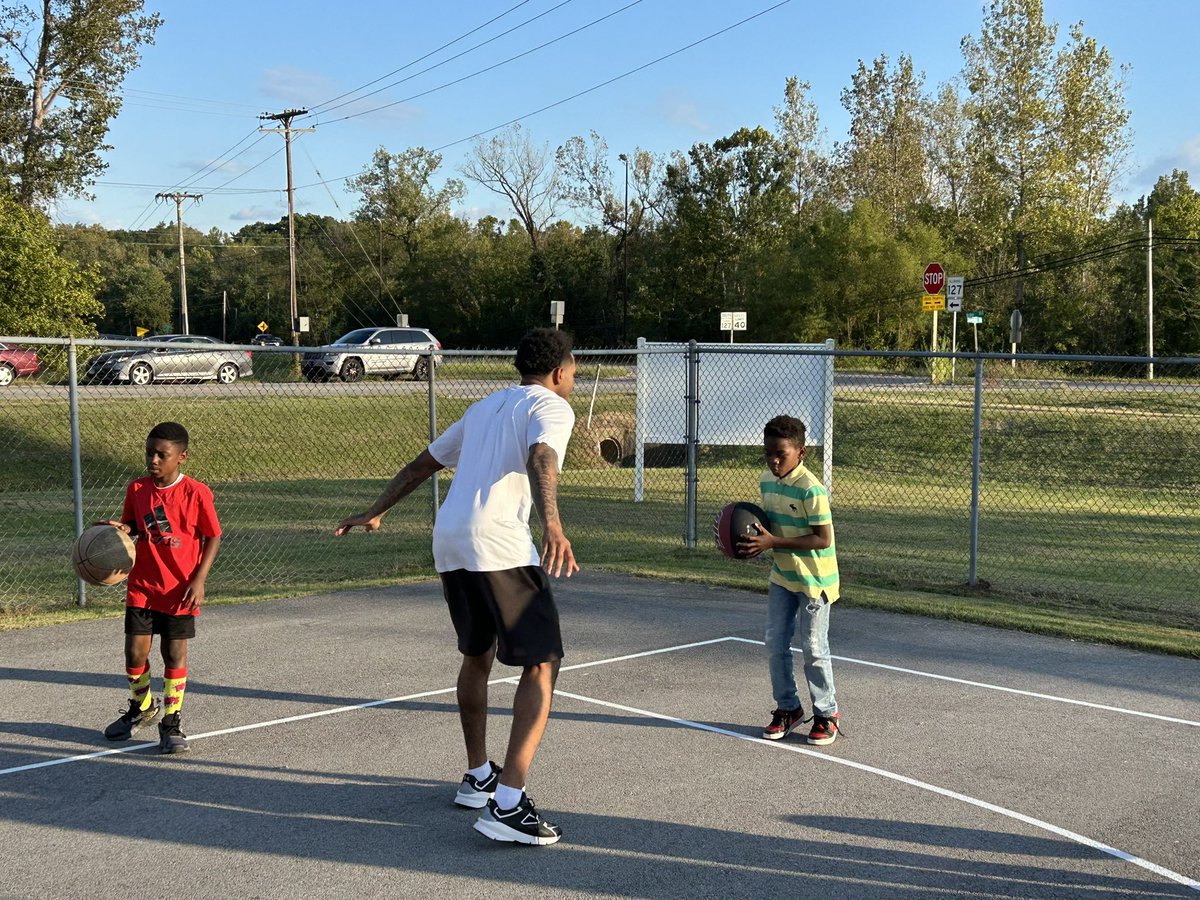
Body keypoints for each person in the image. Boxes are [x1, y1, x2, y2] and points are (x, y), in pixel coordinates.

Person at [335, 328, 578, 846]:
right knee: (541, 663)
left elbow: (424, 464)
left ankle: (478, 776)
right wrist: (553, 525)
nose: (573, 377)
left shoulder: (485, 407)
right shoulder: (553, 407)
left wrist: (375, 512)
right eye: (573, 368)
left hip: (450, 540)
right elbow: (542, 458)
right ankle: (508, 803)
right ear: (560, 371)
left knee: (477, 654)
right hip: (499, 544)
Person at [100, 421, 222, 754]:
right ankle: (142, 708)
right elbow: (135, 525)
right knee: (135, 653)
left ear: (181, 457)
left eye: (161, 454)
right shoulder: (137, 490)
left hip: (179, 589)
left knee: (173, 654)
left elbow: (213, 536)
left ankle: (171, 721)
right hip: (143, 585)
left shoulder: (197, 493)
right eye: (149, 453)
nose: (153, 460)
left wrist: (199, 579)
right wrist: (122, 528)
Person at [738, 414, 842, 746]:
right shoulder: (766, 481)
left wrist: (773, 543)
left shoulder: (812, 489)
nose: (773, 460)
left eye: (781, 453)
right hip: (783, 576)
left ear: (802, 452)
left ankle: (827, 714)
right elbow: (769, 528)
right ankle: (788, 707)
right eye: (768, 453)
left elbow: (823, 538)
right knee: (774, 644)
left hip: (815, 581)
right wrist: (752, 541)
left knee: (813, 649)